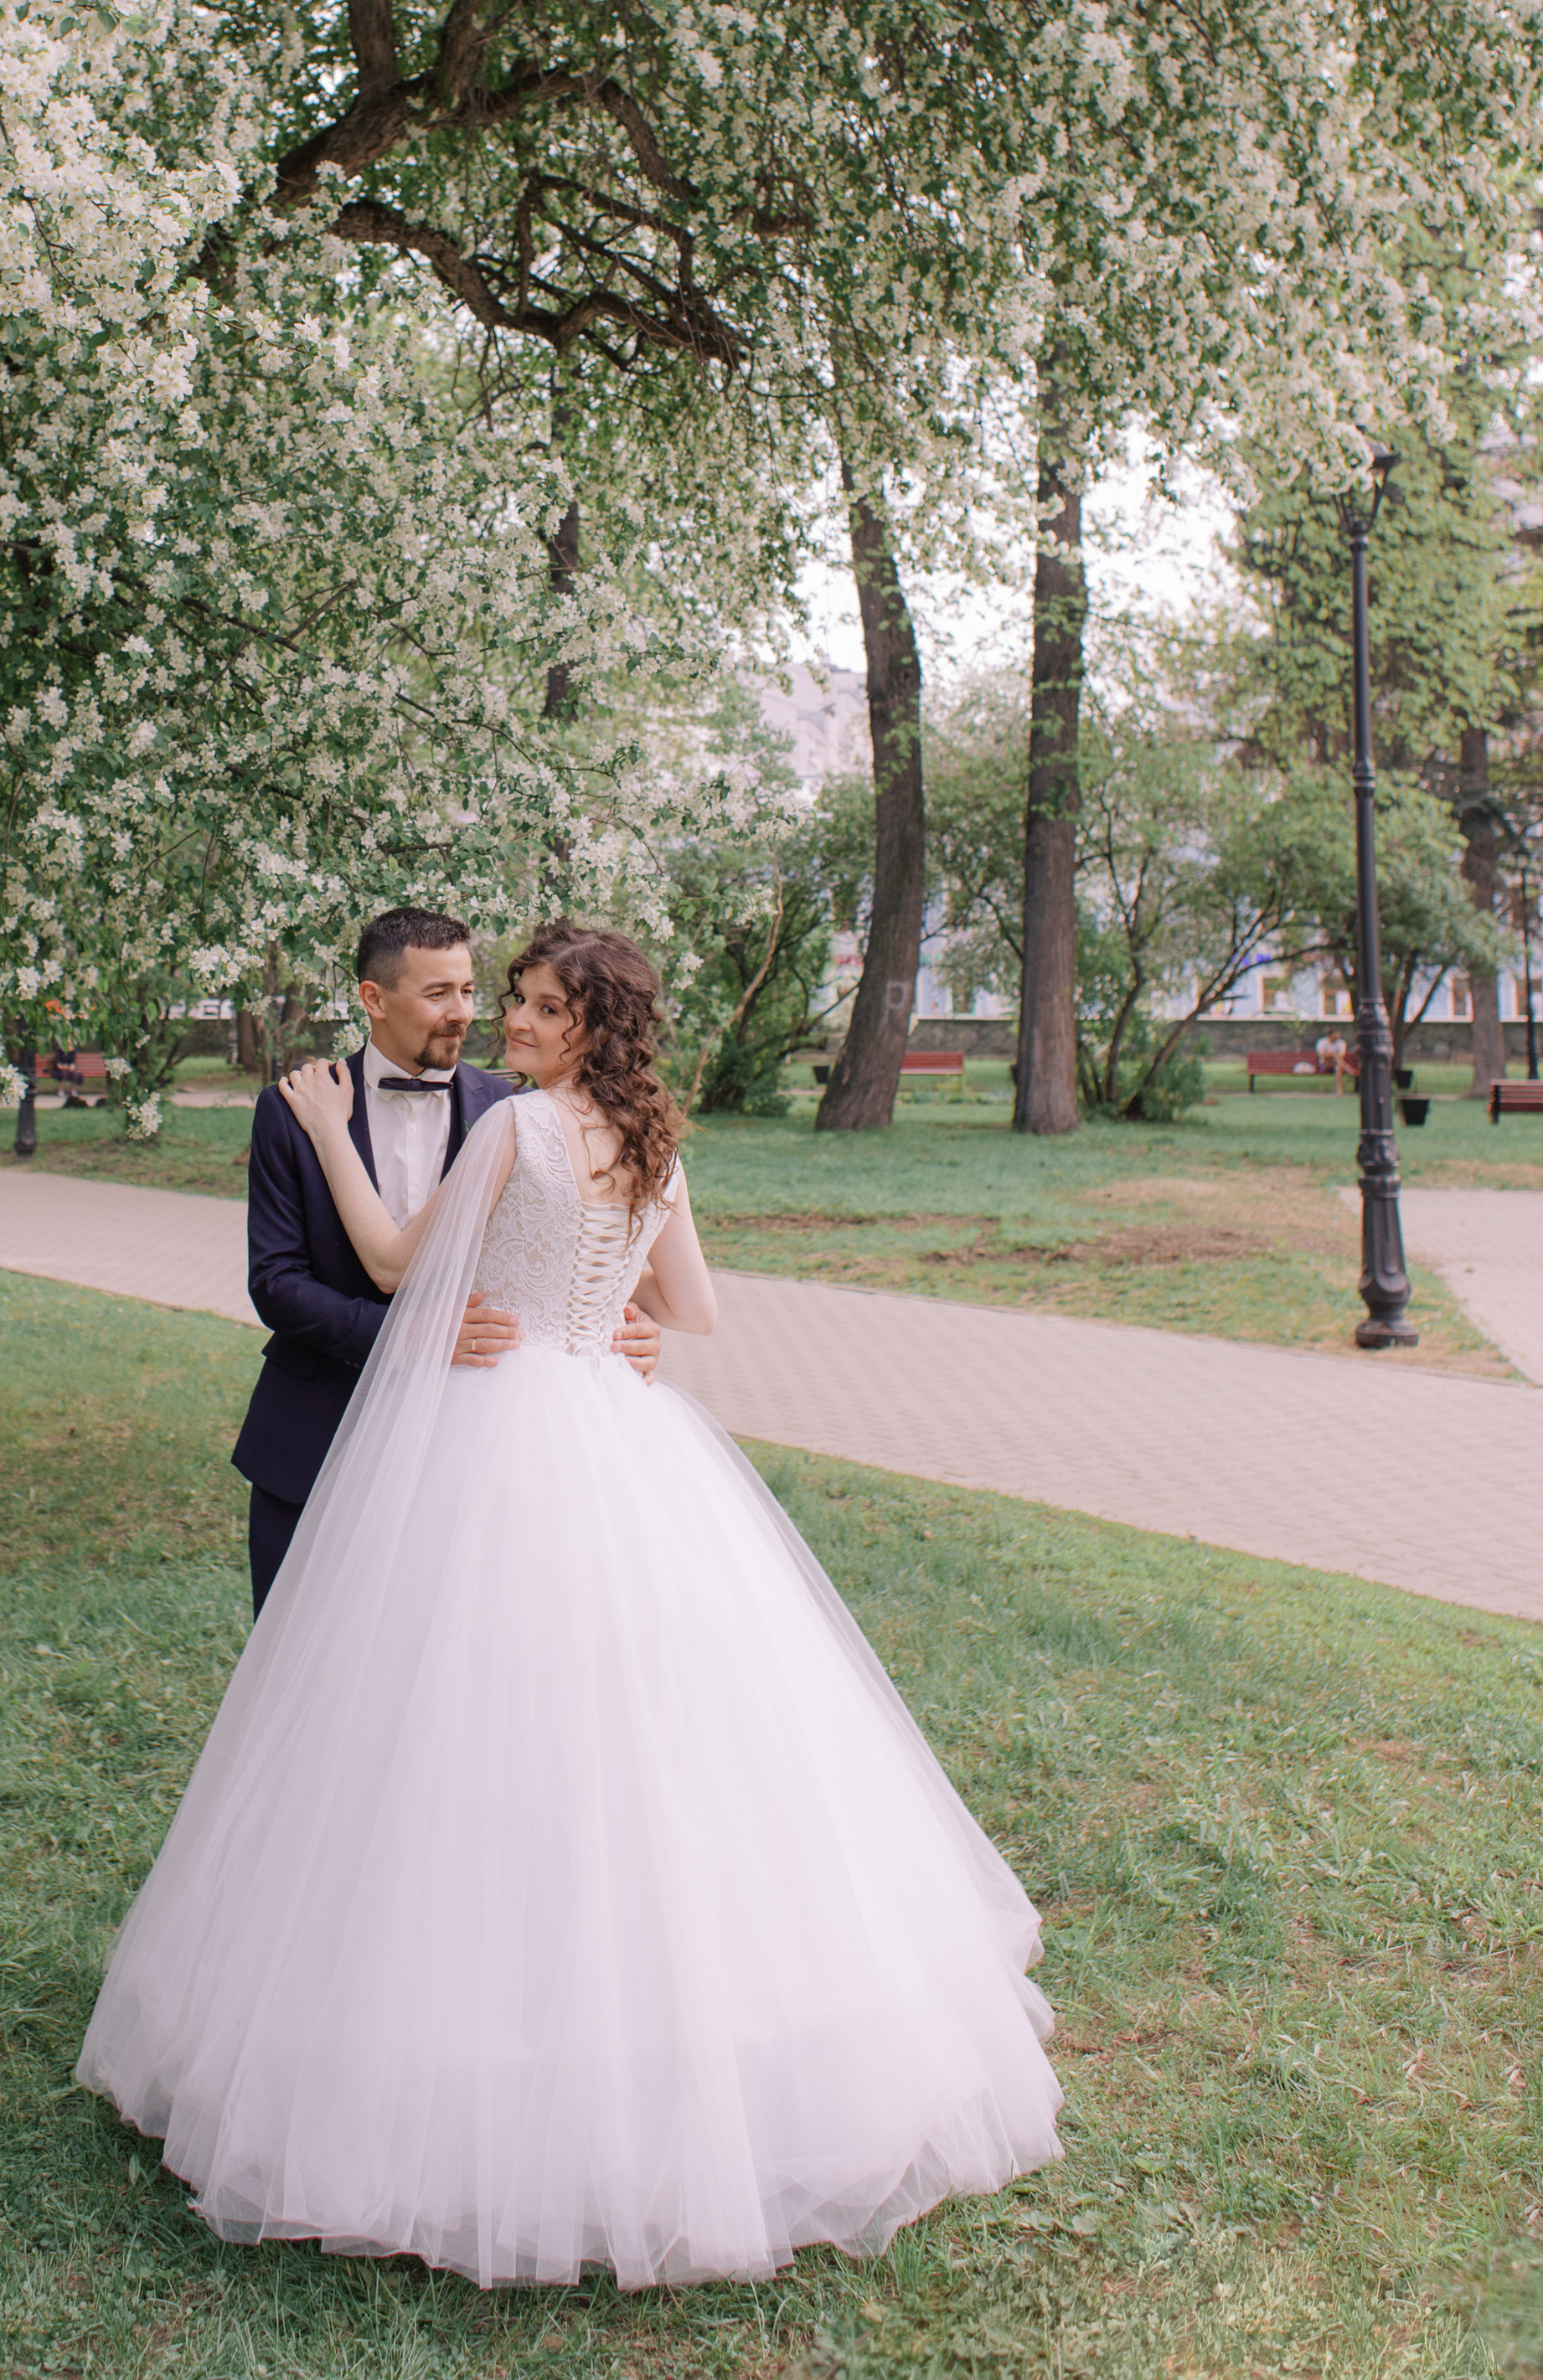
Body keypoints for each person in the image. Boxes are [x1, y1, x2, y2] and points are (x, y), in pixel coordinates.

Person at [79, 920, 1060, 2288]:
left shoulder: (516, 1130)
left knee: (458, 1722)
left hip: (497, 1430)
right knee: (632, 1729)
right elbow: (697, 1311)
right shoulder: (655, 1141)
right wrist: (613, 1316)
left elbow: (388, 1266)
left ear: (588, 1025)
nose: (511, 1023)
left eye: (536, 1006)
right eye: (503, 1001)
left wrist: (335, 1141)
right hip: (616, 1428)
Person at [230, 904, 660, 1613]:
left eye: (467, 990)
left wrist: (627, 1323)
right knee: (294, 1657)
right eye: (437, 994)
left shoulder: (517, 1106)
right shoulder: (295, 1110)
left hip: (469, 1452)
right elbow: (276, 1284)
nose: (464, 1013)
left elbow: (565, 1242)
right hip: (316, 1429)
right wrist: (414, 1338)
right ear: (374, 999)